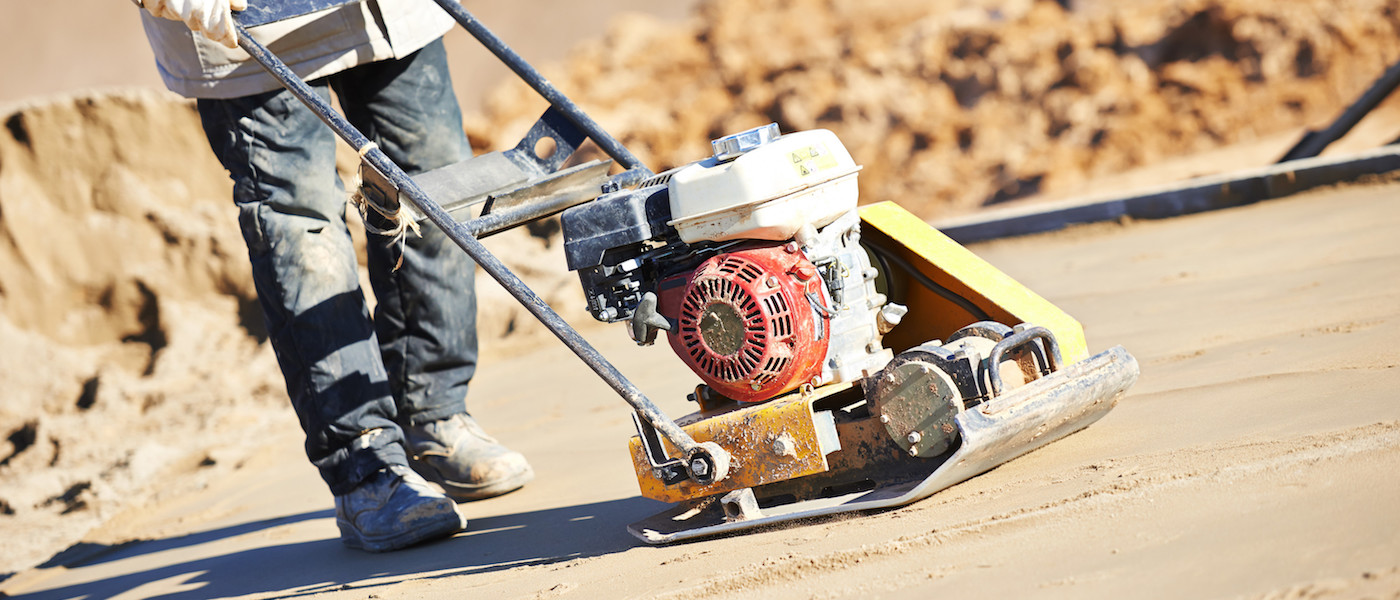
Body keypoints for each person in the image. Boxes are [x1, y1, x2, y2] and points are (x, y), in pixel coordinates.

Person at [134, 0, 534, 552]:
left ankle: (434, 413)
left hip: (384, 14)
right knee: (302, 225)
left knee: (435, 177)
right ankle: (365, 466)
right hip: (246, 29)